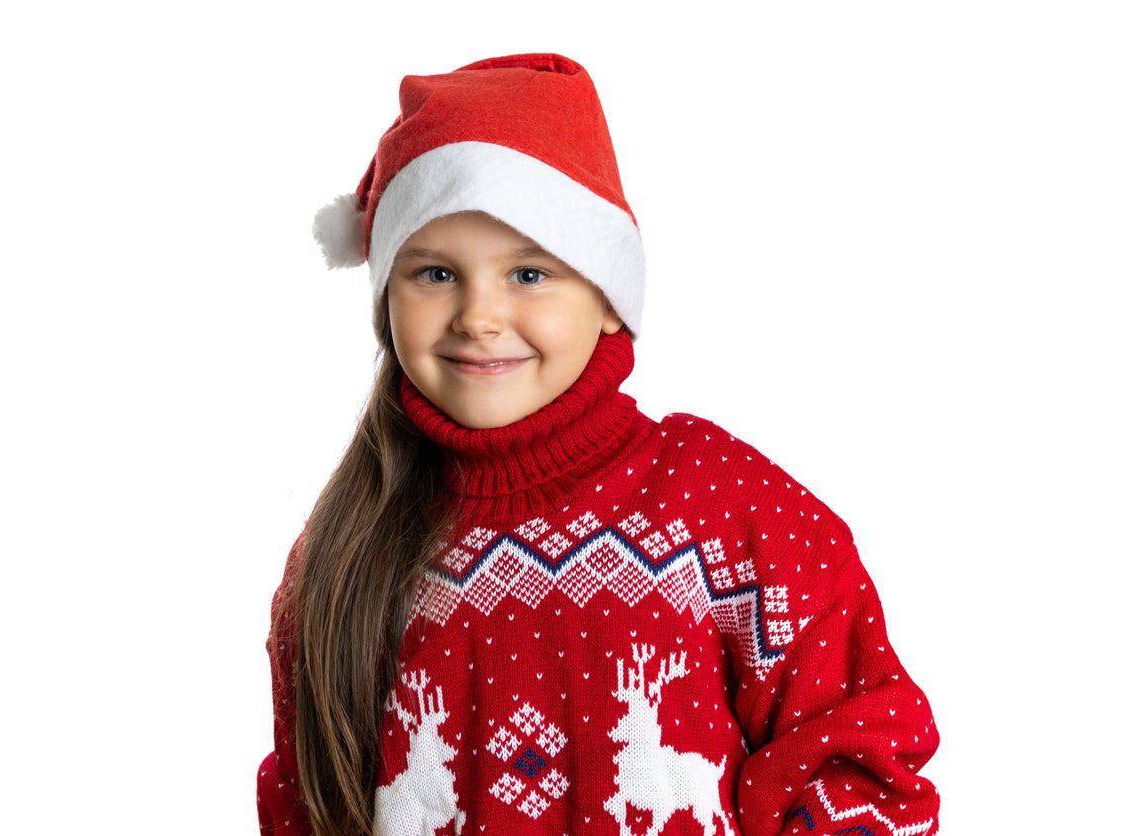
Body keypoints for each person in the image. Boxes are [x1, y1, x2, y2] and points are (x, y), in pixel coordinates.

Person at [257, 53, 939, 836]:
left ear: (609, 299)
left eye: (530, 273)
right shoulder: (340, 555)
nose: (478, 316)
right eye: (436, 273)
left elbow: (861, 743)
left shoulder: (720, 506)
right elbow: (298, 803)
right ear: (387, 297)